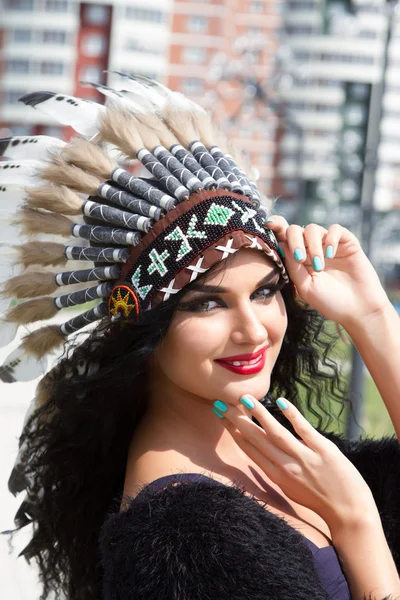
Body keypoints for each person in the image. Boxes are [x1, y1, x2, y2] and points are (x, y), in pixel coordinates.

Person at [1, 75, 400, 600]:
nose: (254, 330)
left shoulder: (275, 451)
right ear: (147, 329)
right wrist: (355, 526)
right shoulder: (177, 539)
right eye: (207, 303)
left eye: (264, 291)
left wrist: (371, 316)